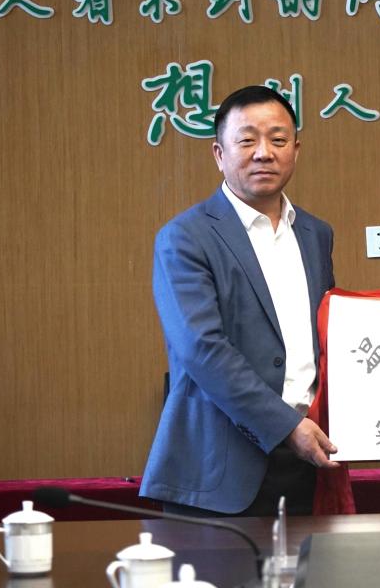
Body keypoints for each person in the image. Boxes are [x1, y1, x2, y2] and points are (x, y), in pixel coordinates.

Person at [140, 85, 338, 516]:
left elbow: (328, 338)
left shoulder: (315, 234)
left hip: (307, 461)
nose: (264, 152)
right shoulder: (185, 237)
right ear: (219, 153)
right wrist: (286, 426)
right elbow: (202, 348)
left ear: (296, 150)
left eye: (278, 139)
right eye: (247, 140)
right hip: (219, 469)